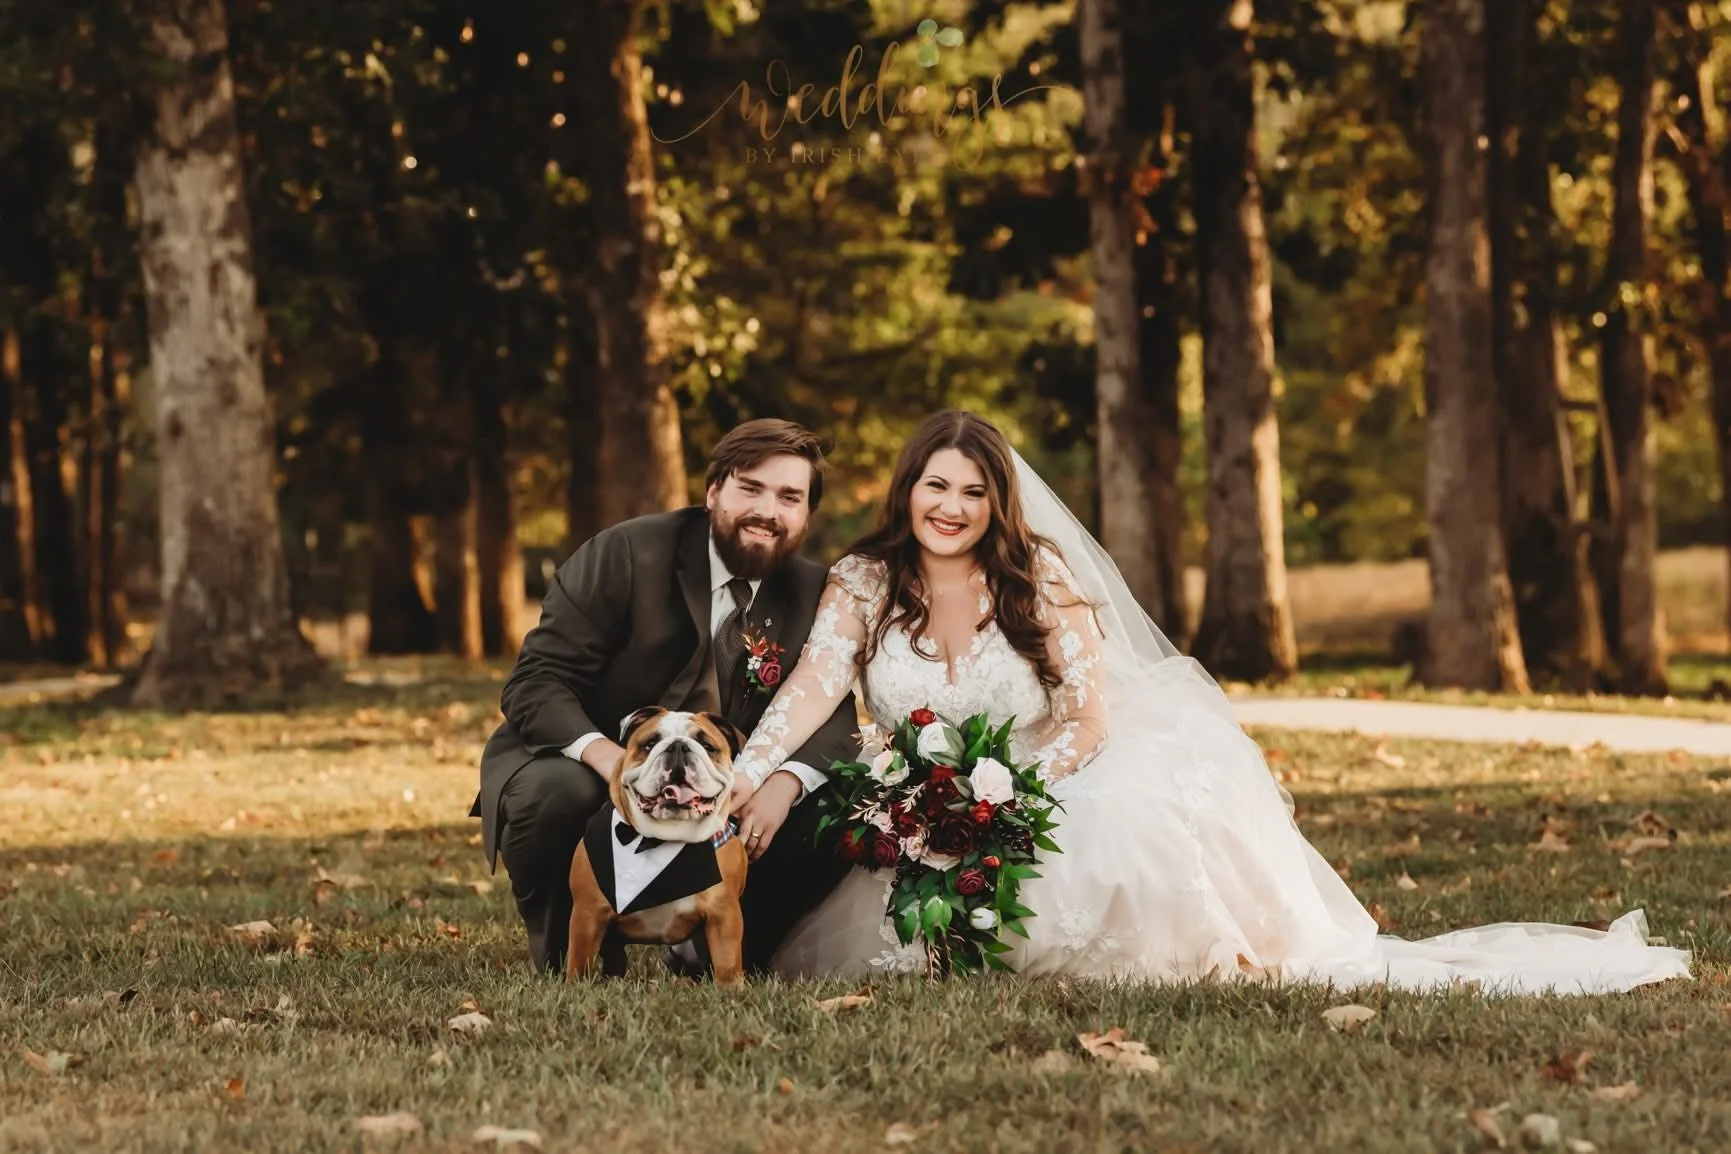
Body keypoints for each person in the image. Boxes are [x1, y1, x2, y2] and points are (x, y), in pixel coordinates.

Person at [728, 410, 1693, 993]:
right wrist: (747, 771)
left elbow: (1088, 720)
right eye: (934, 485)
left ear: (996, 506)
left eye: (972, 492)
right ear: (907, 491)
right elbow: (812, 686)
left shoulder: (1041, 579)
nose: (949, 506)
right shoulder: (862, 580)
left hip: (1042, 775)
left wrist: (996, 804)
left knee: (1116, 864)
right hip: (914, 802)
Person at [471, 419, 862, 973]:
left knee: (839, 806)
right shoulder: (624, 553)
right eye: (750, 488)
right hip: (604, 756)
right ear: (712, 492)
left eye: (789, 497)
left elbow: (835, 720)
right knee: (552, 792)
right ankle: (571, 954)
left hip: (729, 780)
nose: (768, 511)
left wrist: (782, 783)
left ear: (806, 514)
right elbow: (535, 681)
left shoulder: (813, 592)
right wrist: (610, 759)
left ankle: (719, 951)